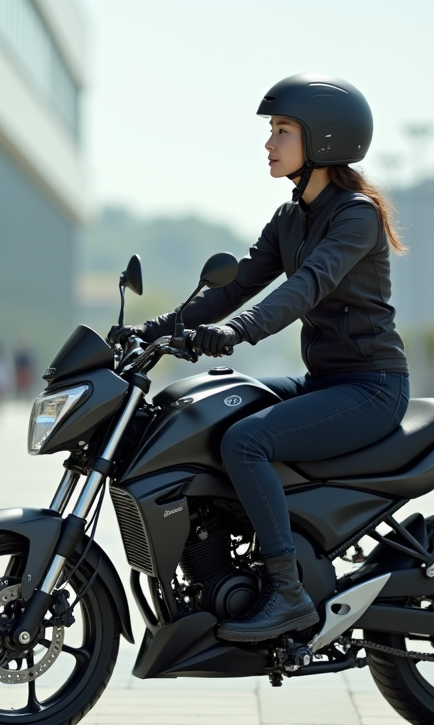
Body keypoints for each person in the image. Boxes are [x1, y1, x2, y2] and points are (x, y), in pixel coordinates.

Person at [110, 74, 410, 643]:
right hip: (327, 382)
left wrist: (236, 332)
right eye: (272, 131)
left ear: (321, 140)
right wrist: (156, 329)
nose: (268, 144)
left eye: (281, 131)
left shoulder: (355, 216)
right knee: (210, 412)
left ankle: (287, 592)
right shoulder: (290, 217)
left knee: (246, 441)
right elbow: (235, 285)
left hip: (371, 387)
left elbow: (307, 287)